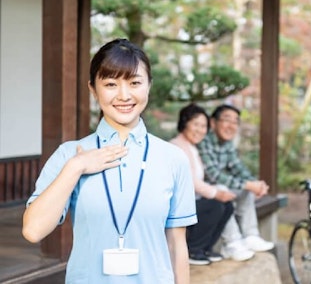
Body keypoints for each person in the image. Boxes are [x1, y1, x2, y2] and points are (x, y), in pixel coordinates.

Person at [22, 38, 197, 284]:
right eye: (111, 84)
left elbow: (177, 246)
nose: (124, 95)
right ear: (93, 89)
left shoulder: (172, 158)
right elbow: (33, 230)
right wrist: (76, 167)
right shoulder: (68, 154)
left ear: (148, 86)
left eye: (135, 83)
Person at [197, 104, 274, 262]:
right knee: (223, 188)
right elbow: (214, 176)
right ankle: (231, 243)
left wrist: (256, 184)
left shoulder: (227, 144)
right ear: (213, 123)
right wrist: (248, 185)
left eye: (235, 122)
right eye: (227, 120)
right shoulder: (204, 141)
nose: (231, 125)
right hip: (201, 196)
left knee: (244, 190)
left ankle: (251, 235)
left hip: (216, 194)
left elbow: (239, 168)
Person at [170, 103, 235, 266]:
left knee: (227, 206)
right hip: (175, 206)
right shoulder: (176, 146)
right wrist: (216, 193)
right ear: (184, 123)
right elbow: (190, 181)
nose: (200, 130)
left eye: (204, 126)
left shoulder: (193, 147)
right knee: (216, 205)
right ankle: (193, 249)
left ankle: (205, 248)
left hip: (192, 201)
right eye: (196, 124)